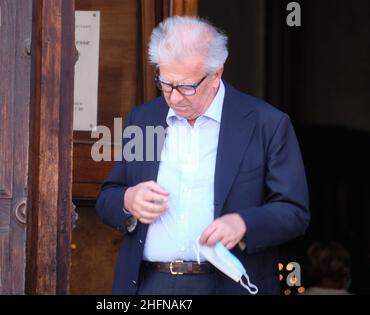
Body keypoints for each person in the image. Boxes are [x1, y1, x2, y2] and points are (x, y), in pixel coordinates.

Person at [96, 16, 310, 295]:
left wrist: (243, 224)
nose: (172, 97)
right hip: (149, 284)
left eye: (185, 86)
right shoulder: (144, 119)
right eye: (165, 83)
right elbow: (108, 197)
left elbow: (294, 212)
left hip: (227, 285)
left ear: (216, 74)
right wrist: (129, 200)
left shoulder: (266, 124)